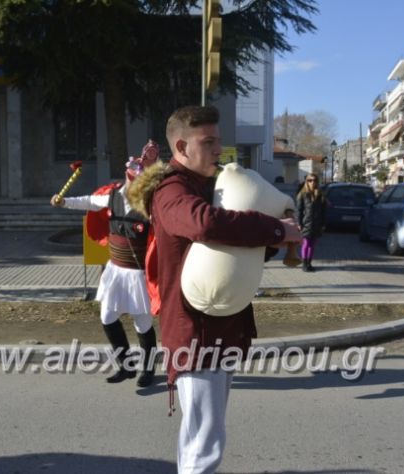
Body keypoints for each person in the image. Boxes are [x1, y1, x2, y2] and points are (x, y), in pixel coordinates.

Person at [128, 106, 301, 473]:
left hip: (218, 326)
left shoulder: (209, 186)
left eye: (218, 141)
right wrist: (275, 230)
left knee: (202, 436)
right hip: (194, 331)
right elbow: (204, 224)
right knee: (205, 442)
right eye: (208, 142)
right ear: (181, 146)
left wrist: (274, 239)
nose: (218, 150)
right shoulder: (171, 189)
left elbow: (232, 246)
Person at [50, 140, 159, 387]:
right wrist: (64, 202)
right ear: (128, 178)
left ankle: (149, 370)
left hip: (138, 274)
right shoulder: (112, 196)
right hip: (115, 271)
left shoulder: (153, 206)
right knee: (108, 316)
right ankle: (126, 366)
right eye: (134, 181)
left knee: (142, 323)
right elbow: (89, 201)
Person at [295, 173, 326, 272]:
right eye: (310, 180)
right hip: (306, 224)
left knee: (313, 244)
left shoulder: (320, 194)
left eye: (314, 180)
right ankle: (304, 264)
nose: (312, 182)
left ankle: (309, 263)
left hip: (317, 224)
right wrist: (299, 223)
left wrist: (323, 224)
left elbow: (323, 211)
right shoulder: (302, 195)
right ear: (306, 182)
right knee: (306, 243)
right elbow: (299, 211)